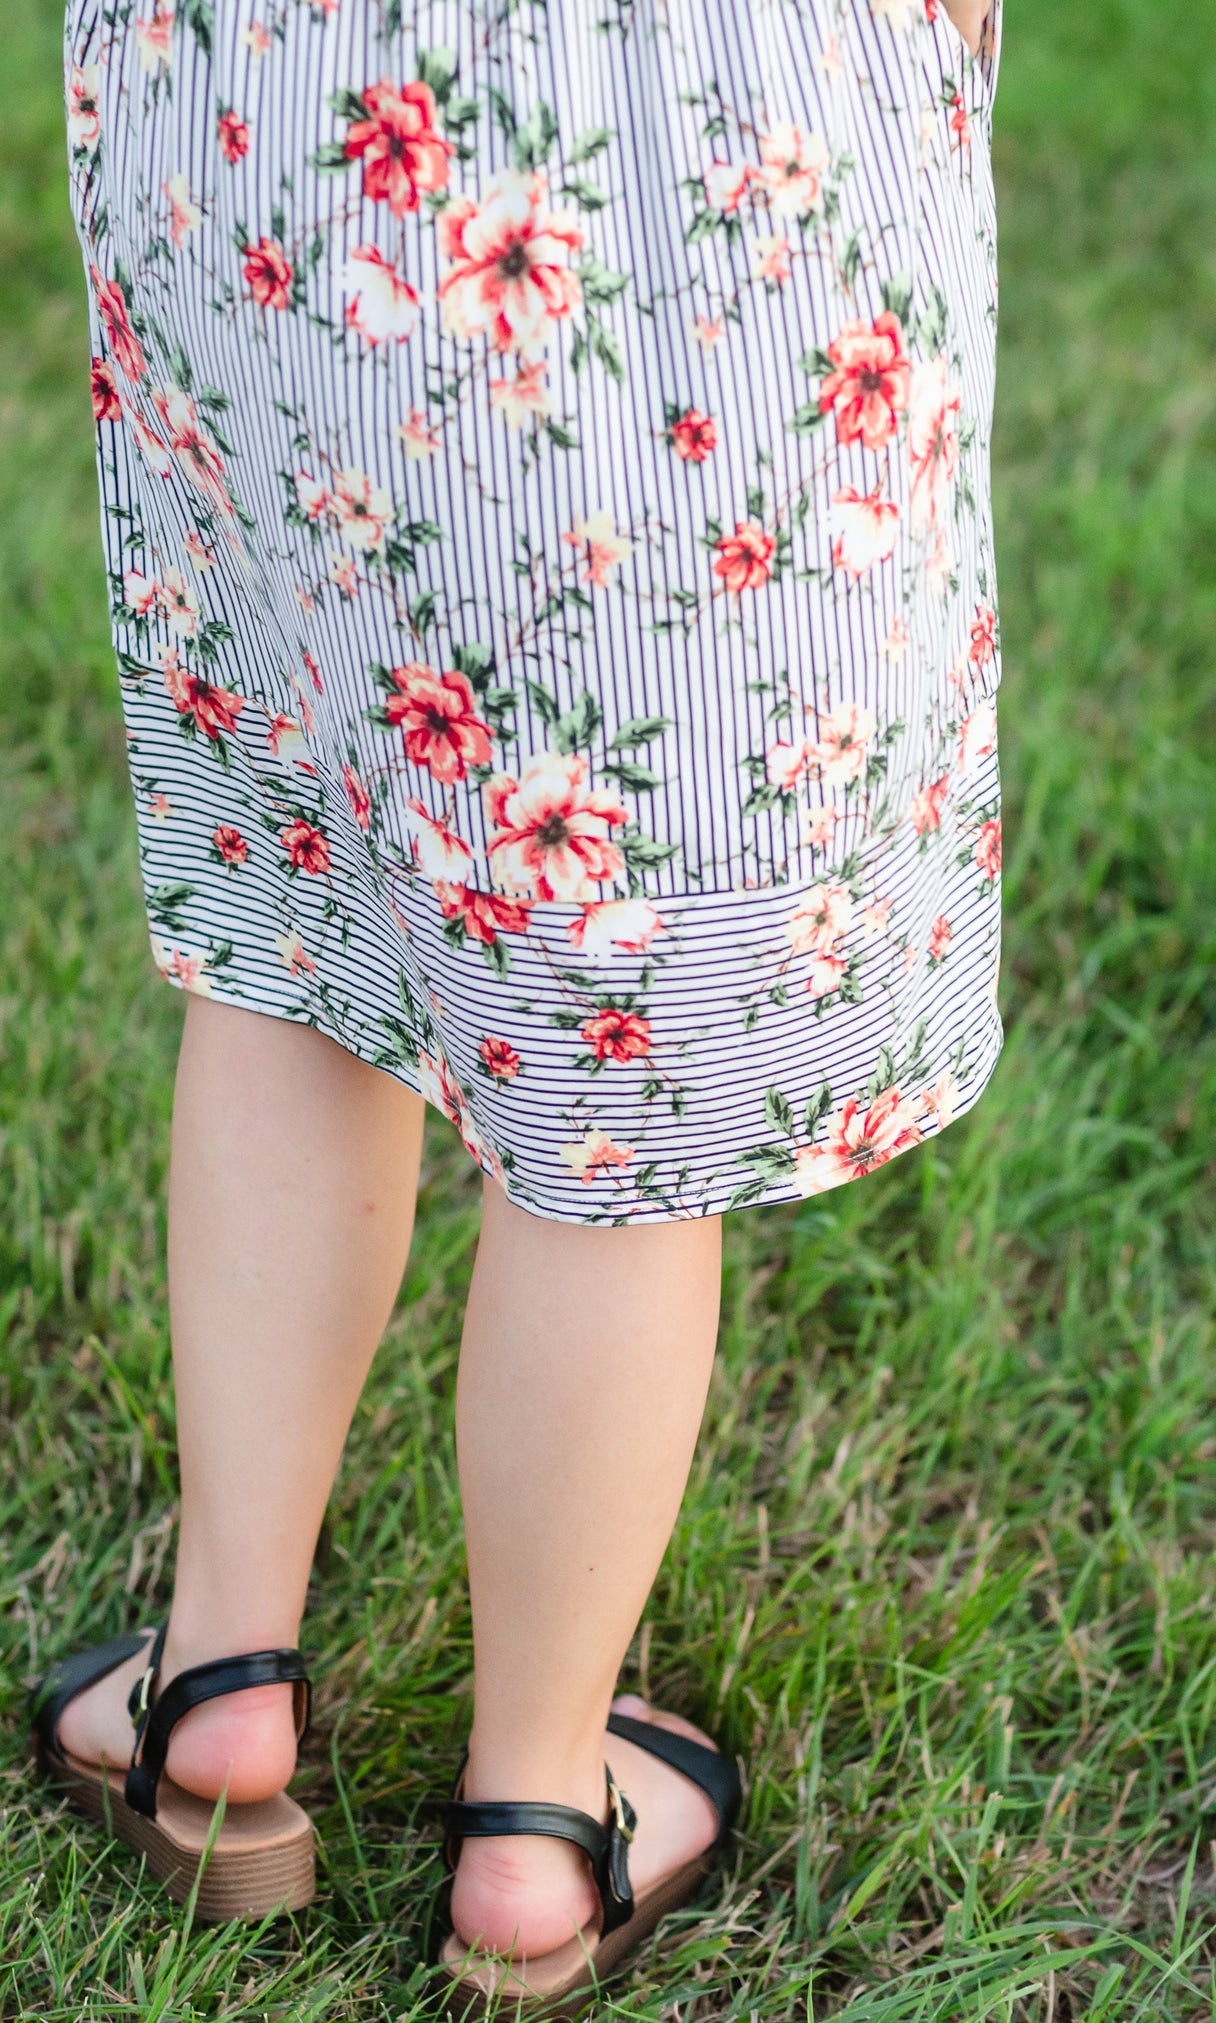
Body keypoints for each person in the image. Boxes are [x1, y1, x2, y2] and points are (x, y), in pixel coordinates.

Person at [35, 0, 1003, 2008]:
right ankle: (538, 1823)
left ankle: (219, 1682)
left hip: (303, 137)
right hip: (715, 148)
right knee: (614, 1014)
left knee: (312, 886)